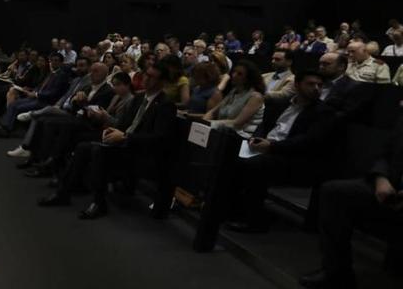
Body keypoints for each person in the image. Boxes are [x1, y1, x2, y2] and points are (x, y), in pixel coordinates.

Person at [37, 64, 177, 219]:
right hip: (124, 142)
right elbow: (124, 124)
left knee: (98, 151)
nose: (146, 78)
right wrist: (113, 130)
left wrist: (125, 137)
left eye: (152, 77)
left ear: (161, 82)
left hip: (139, 150)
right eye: (146, 74)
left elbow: (159, 138)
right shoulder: (138, 98)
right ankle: (64, 192)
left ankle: (99, 202)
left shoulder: (165, 105)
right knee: (83, 146)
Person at [225, 70, 335, 233]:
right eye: (311, 84)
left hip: (294, 158)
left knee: (256, 165)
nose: (316, 88)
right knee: (227, 152)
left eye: (319, 85)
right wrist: (256, 139)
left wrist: (271, 146)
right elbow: (264, 125)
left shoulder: (323, 111)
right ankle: (226, 208)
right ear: (297, 85)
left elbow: (308, 141)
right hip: (267, 147)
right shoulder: (282, 105)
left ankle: (254, 220)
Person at [299, 117, 403, 289]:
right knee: (334, 193)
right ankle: (336, 272)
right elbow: (384, 154)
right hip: (390, 186)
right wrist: (380, 178)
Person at [204, 60, 266, 132]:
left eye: (239, 74)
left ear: (248, 78)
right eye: (234, 72)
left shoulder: (256, 97)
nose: (234, 75)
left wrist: (210, 124)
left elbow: (237, 123)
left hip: (242, 135)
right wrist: (203, 122)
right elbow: (212, 112)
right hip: (225, 131)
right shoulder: (234, 91)